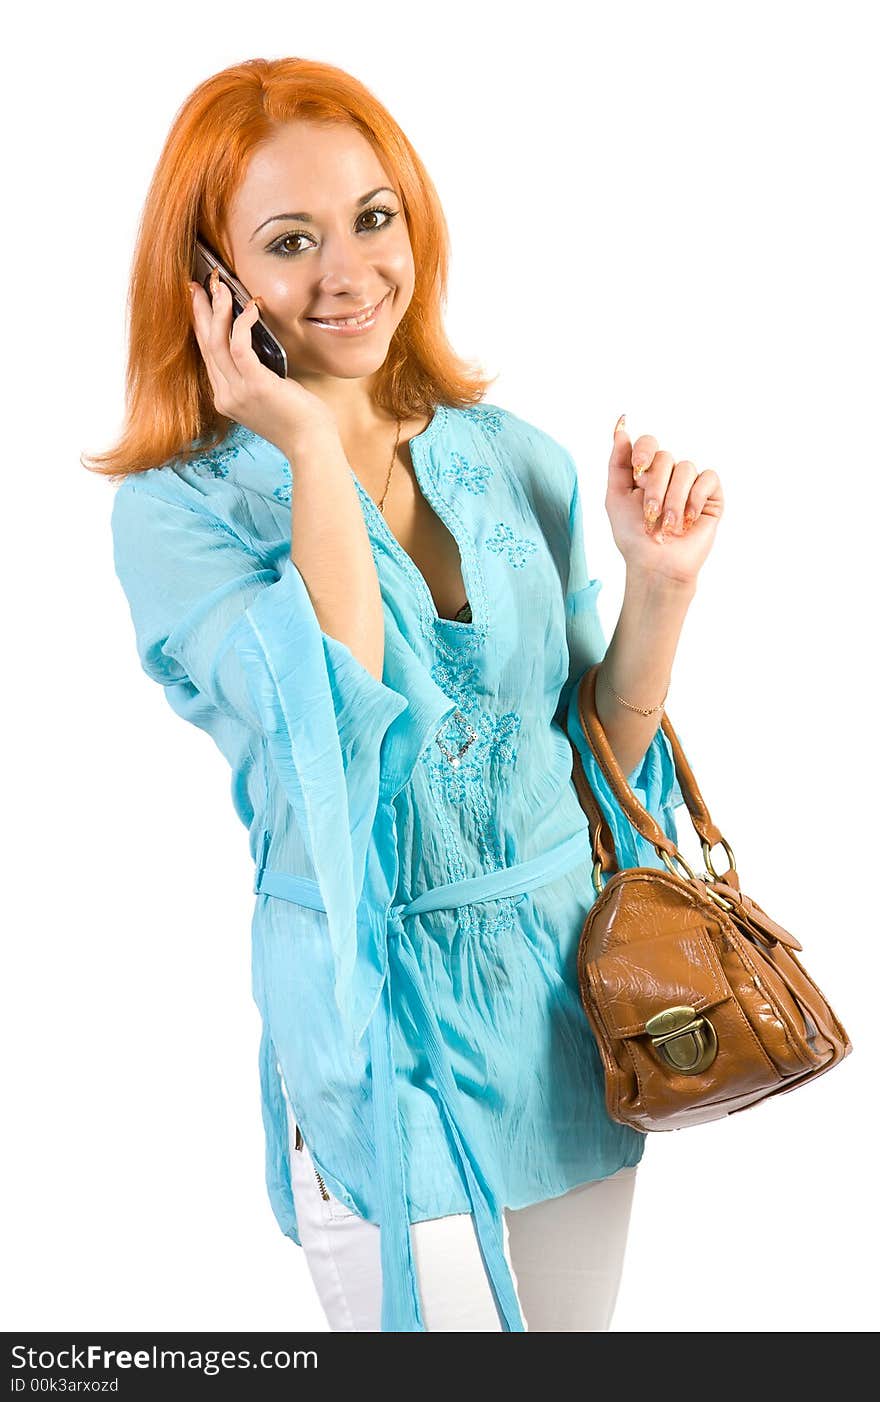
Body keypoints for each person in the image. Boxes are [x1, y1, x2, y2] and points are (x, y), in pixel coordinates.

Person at [84, 55, 724, 1332]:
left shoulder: (509, 455)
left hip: (565, 1015)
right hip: (379, 1027)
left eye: (373, 218)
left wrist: (659, 586)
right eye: (287, 241)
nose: (348, 272)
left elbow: (598, 756)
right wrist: (311, 440)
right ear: (209, 278)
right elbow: (338, 710)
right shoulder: (180, 516)